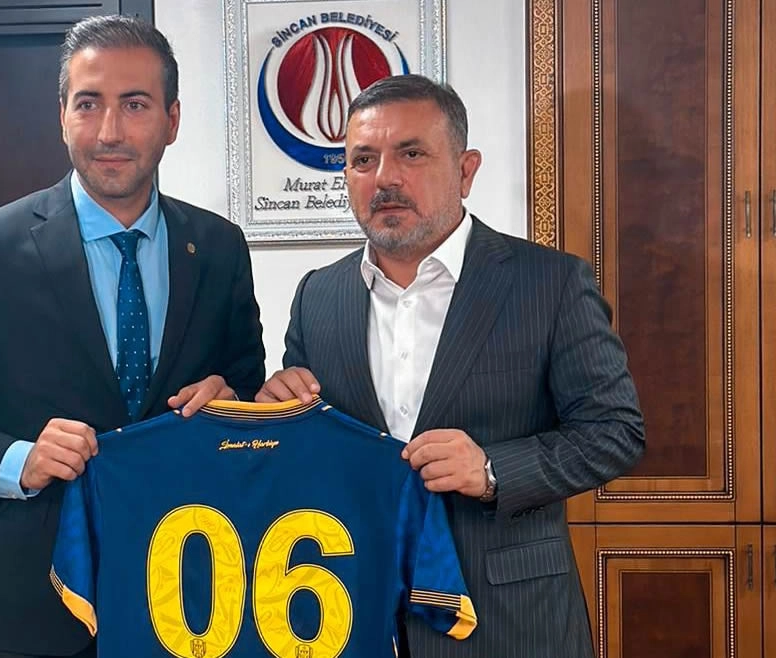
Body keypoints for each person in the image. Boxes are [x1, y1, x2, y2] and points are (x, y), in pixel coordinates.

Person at [0, 15, 264, 658]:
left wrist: (232, 401)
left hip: (191, 603)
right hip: (28, 611)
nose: (109, 131)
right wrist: (16, 460)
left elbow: (245, 384)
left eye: (135, 104)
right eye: (88, 104)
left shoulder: (219, 247)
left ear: (172, 120)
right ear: (62, 116)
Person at [257, 74, 644, 658]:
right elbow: (312, 455)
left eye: (411, 153)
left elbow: (615, 433)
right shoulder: (318, 296)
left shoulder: (551, 283)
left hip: (510, 625)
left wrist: (491, 469)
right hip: (354, 616)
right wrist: (281, 417)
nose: (385, 177)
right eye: (363, 160)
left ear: (466, 171)